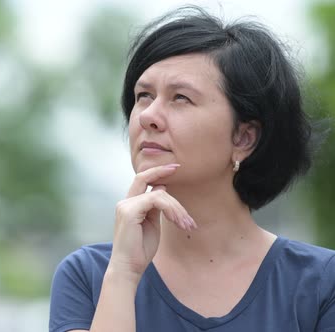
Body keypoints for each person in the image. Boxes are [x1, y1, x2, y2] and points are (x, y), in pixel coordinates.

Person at [49, 6, 335, 332]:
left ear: (243, 137)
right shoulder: (89, 276)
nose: (147, 116)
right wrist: (124, 273)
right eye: (143, 95)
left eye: (180, 98)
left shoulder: (321, 283)